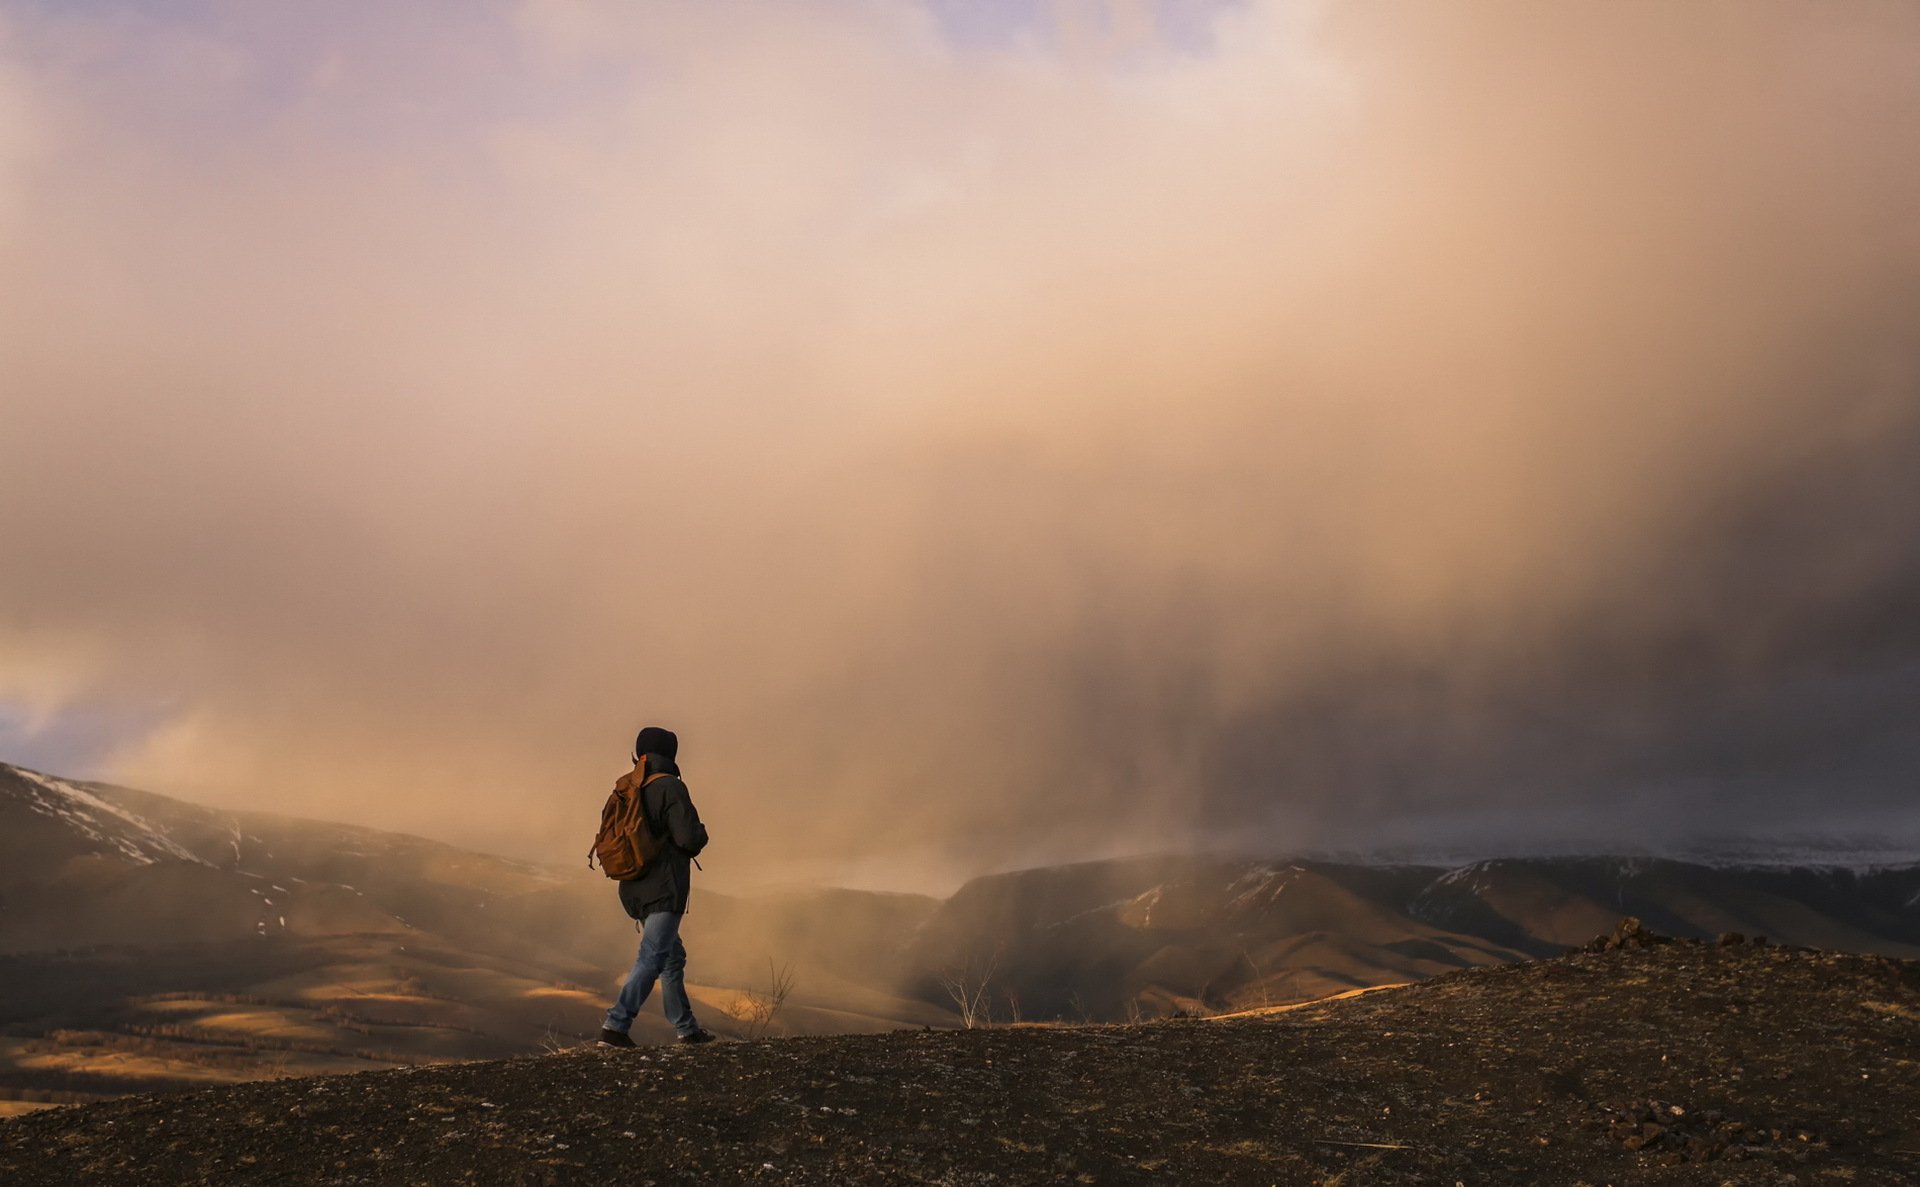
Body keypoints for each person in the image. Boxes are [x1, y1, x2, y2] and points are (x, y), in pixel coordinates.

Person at [598, 725, 716, 1048]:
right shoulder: (670, 789)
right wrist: (703, 832)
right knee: (652, 957)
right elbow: (689, 838)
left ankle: (687, 1029)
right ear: (671, 756)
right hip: (665, 891)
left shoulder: (626, 790)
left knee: (671, 957)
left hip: (632, 888)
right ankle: (615, 1026)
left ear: (642, 754)